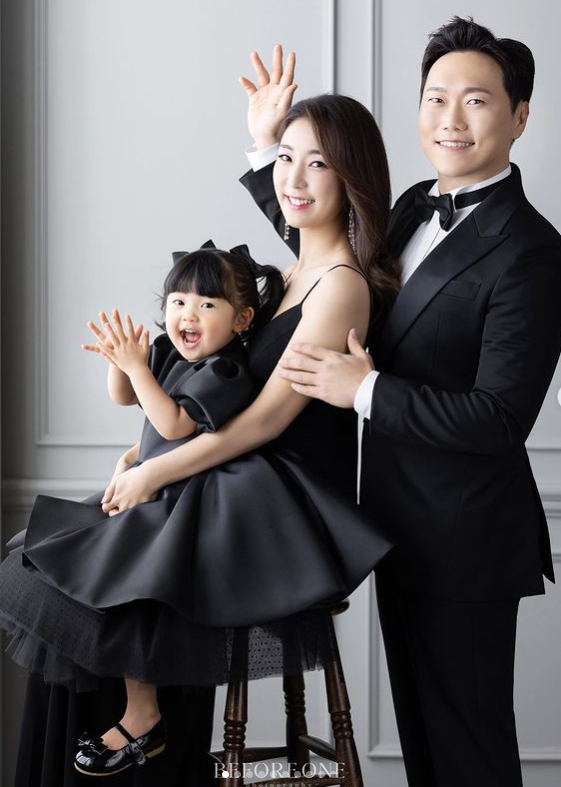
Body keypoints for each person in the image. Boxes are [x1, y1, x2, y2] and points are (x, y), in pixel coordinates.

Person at [0, 102, 397, 776]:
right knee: (68, 565)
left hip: (277, 495)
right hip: (234, 473)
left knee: (106, 558)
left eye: (318, 163)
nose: (294, 178)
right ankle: (133, 729)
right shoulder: (288, 277)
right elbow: (210, 397)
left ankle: (146, 722)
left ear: (351, 177)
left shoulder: (340, 287)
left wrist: (157, 470)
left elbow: (267, 419)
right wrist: (145, 452)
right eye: (286, 160)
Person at [251, 20, 561, 787]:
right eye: (435, 98)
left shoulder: (532, 249)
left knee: (468, 753)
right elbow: (328, 271)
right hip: (396, 526)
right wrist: (268, 153)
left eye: (475, 101)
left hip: (466, 541)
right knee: (426, 747)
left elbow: (498, 418)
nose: (450, 118)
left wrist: (363, 389)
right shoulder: (414, 205)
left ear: (519, 115)